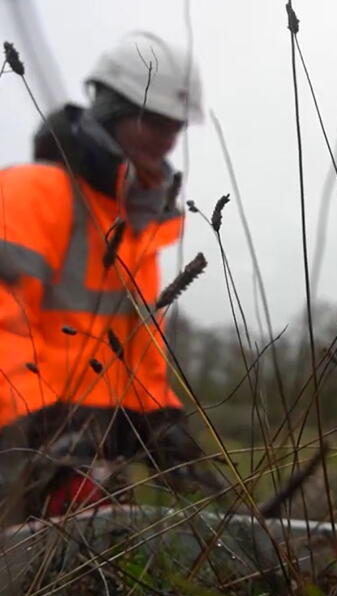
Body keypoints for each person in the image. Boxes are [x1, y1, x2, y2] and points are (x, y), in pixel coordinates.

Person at [0, 32, 206, 518]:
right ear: (113, 112)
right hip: (17, 449)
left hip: (90, 461)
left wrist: (159, 421)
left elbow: (137, 352)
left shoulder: (138, 228)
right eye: (154, 120)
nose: (169, 136)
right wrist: (41, 432)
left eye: (176, 124)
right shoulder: (30, 193)